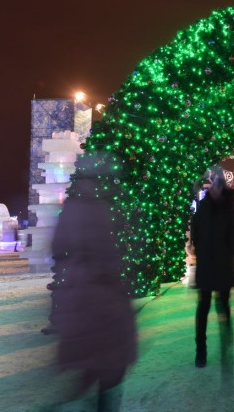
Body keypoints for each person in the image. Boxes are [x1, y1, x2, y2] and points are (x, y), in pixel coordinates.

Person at [50, 173, 137, 410]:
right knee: (110, 366)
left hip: (83, 296)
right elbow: (113, 254)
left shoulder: (71, 211)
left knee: (93, 362)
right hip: (105, 298)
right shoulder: (105, 210)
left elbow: (57, 250)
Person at [190, 166, 234, 368]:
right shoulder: (203, 206)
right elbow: (196, 232)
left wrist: (229, 253)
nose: (214, 188)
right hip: (206, 265)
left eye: (217, 185)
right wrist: (199, 250)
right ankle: (200, 351)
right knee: (203, 307)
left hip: (223, 265)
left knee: (223, 306)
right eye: (212, 185)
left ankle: (226, 346)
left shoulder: (230, 207)